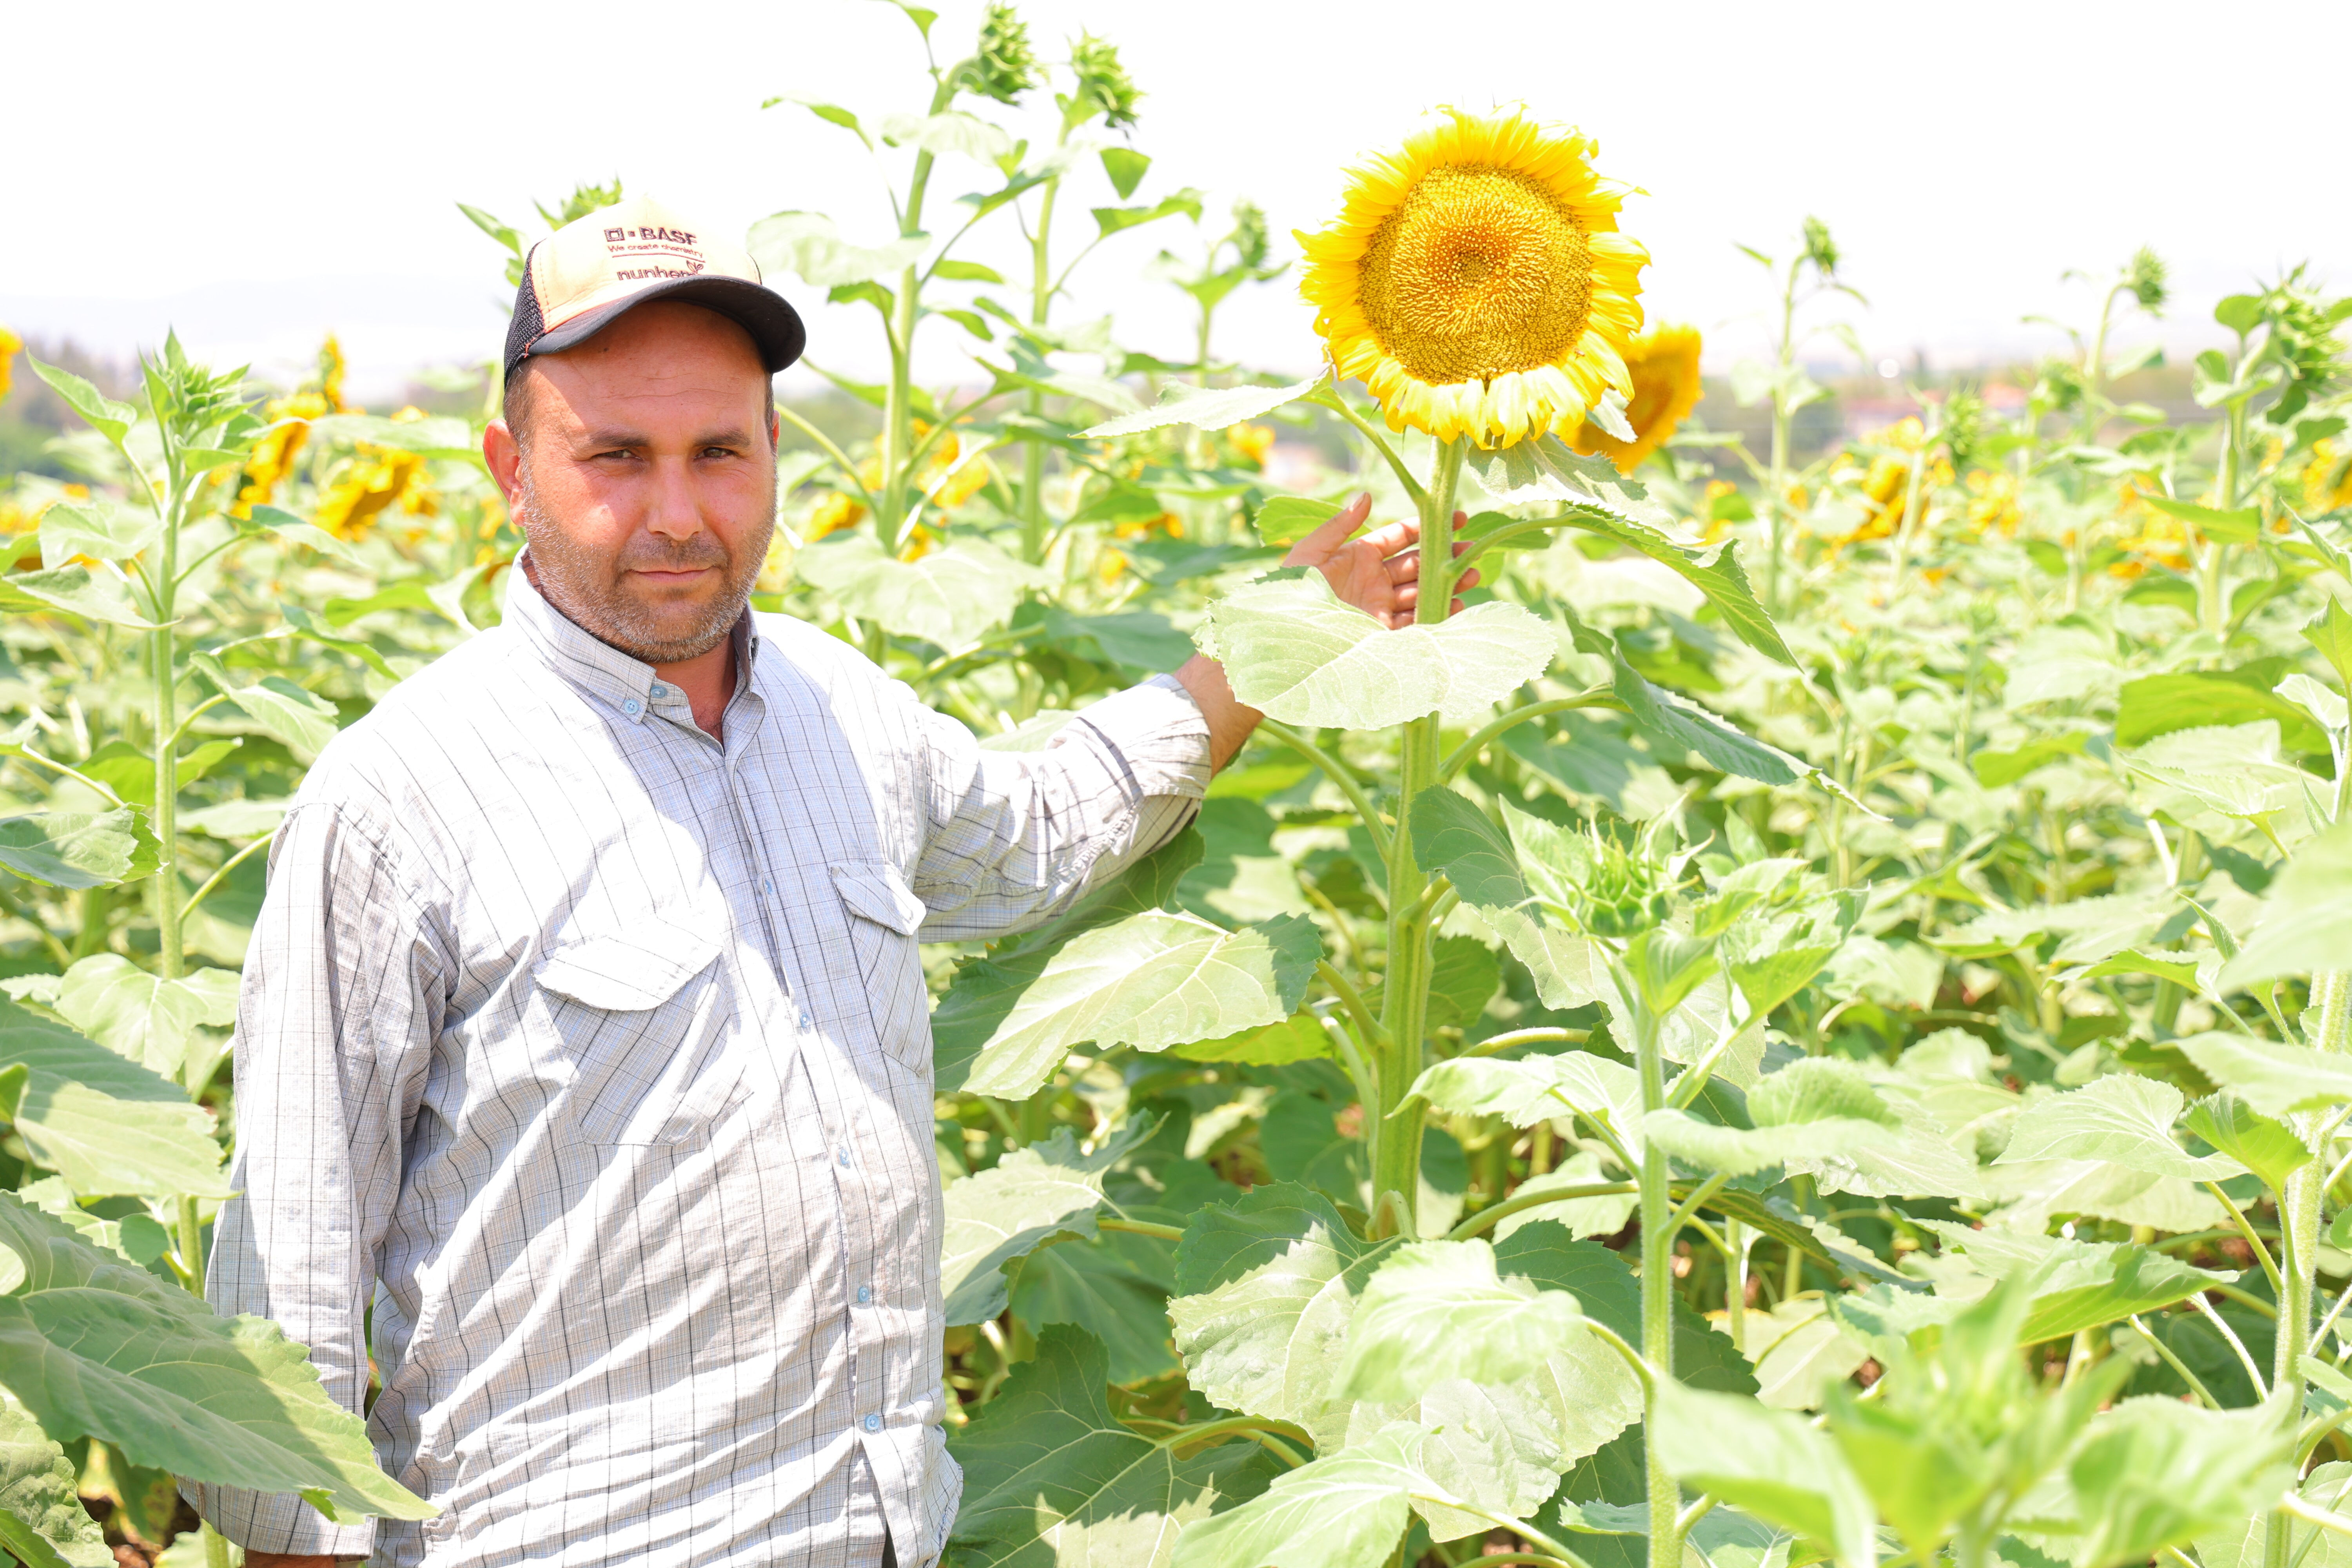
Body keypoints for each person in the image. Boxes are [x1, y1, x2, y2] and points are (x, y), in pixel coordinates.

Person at [193, 195, 1472, 1568]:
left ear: (775, 452)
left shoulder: (838, 709)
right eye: (615, 455)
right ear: (512, 465)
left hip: (877, 1529)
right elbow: (291, 1285)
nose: (678, 513)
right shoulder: (400, 801)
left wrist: (1273, 652)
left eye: (720, 453)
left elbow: (1042, 827)